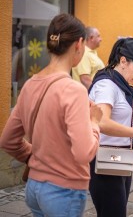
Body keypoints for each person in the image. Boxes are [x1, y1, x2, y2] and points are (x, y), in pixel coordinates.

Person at [0, 13, 103, 216]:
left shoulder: (30, 84)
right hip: (63, 191)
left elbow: (7, 140)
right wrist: (95, 123)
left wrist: (34, 156)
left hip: (34, 187)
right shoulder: (74, 90)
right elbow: (84, 153)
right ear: (79, 43)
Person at [88, 37, 133, 217]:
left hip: (118, 158)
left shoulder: (119, 84)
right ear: (123, 61)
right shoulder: (107, 85)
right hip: (104, 160)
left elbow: (121, 121)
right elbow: (102, 122)